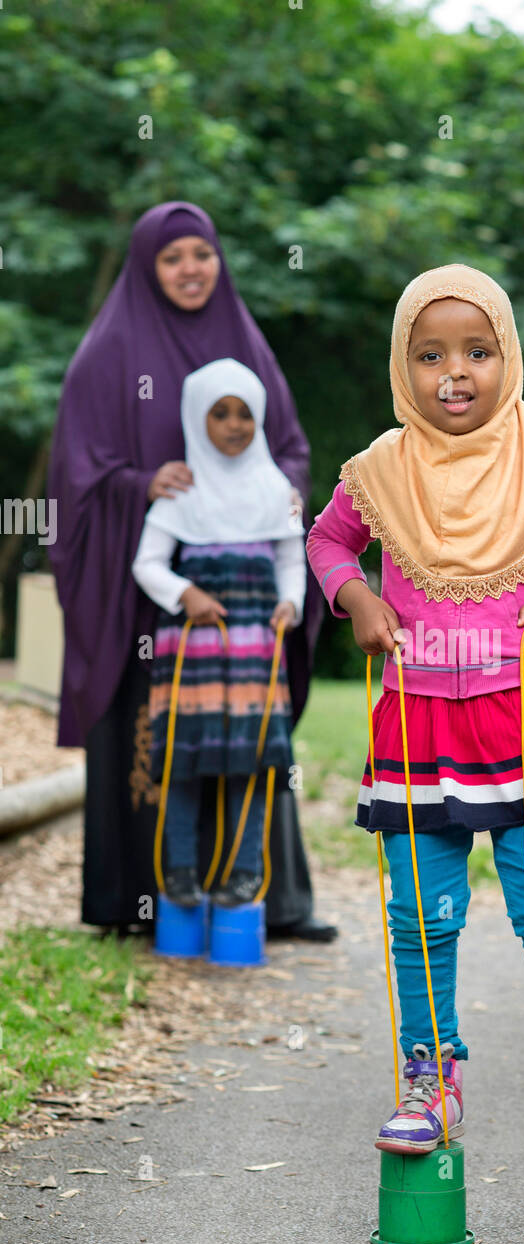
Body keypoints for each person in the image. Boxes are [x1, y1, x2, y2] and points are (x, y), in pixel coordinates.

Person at [307, 265, 524, 1159]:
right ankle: (428, 1077)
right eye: (431, 353)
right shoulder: (381, 468)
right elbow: (330, 538)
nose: (456, 372)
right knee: (418, 916)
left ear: (508, 358)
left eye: (478, 352)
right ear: (402, 367)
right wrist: (357, 600)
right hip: (418, 723)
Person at [48, 201, 334, 940]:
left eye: (201, 254)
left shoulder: (244, 340)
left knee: (246, 740)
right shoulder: (108, 351)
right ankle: (139, 901)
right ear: (148, 265)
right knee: (163, 746)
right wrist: (139, 485)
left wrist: (270, 494)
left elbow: (290, 447)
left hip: (242, 610)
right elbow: (76, 472)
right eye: (172, 257)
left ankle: (266, 901)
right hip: (149, 602)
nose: (190, 270)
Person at [131, 359, 303, 904]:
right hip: (194, 648)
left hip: (255, 646)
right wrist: (186, 594)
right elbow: (147, 564)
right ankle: (179, 871)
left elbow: (291, 559)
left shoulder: (275, 487)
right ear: (195, 418)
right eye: (220, 414)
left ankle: (246, 871)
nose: (234, 425)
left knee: (249, 760)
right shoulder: (182, 489)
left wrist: (290, 602)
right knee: (186, 757)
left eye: (245, 415)